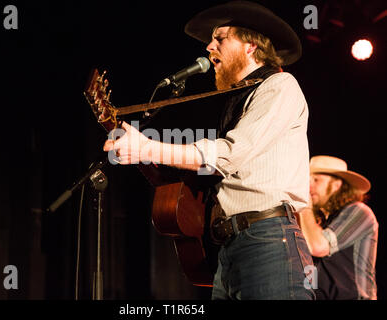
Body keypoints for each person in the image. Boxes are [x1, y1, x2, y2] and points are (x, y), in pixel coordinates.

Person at [103, 1, 315, 299]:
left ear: (251, 45)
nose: (209, 48)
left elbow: (228, 155)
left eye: (220, 38)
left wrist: (148, 148)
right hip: (231, 246)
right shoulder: (240, 99)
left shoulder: (281, 85)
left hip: (268, 239)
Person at [299, 155, 378, 300]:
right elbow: (309, 268)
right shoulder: (315, 222)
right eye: (308, 180)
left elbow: (317, 247)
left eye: (316, 180)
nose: (309, 186)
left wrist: (305, 206)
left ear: (336, 184)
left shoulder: (359, 212)